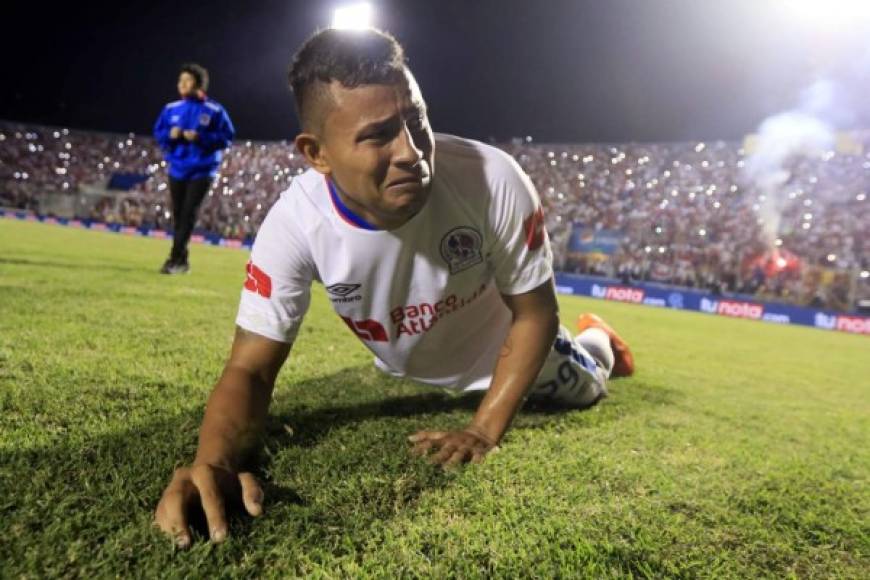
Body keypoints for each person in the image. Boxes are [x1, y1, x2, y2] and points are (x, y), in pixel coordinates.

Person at [154, 29, 635, 547]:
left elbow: (535, 312)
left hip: (505, 352)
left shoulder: (492, 177)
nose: (411, 151)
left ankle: (601, 339)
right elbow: (251, 366)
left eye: (417, 120)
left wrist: (482, 431)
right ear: (317, 153)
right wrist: (214, 463)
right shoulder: (295, 224)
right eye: (379, 134)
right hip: (411, 358)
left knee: (589, 383)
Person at [153, 63, 235, 274]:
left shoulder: (215, 110)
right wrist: (169, 136)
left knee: (189, 213)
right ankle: (183, 260)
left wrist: (201, 137)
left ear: (198, 84)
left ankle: (173, 259)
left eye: (187, 80)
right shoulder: (171, 109)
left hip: (202, 169)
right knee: (179, 215)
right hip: (177, 168)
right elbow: (159, 133)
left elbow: (227, 137)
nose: (181, 84)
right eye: (180, 81)